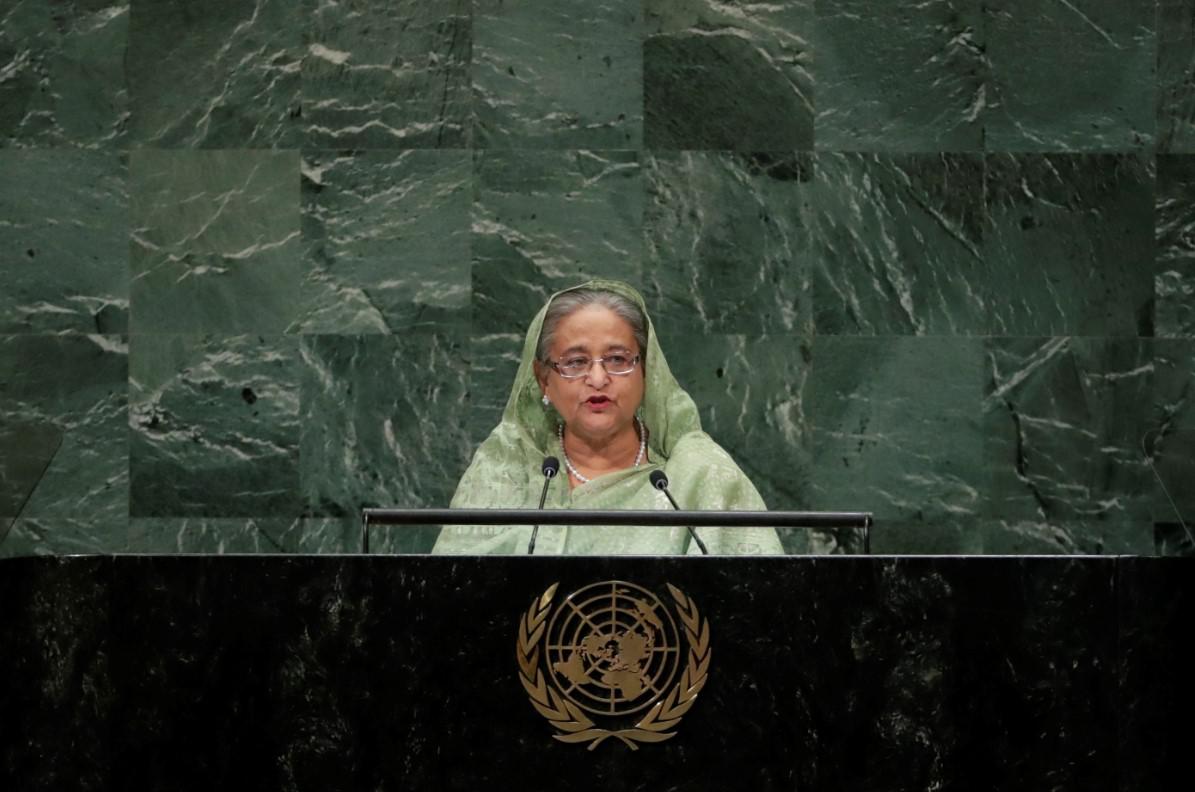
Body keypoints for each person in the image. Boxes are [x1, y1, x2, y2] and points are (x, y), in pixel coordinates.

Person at [433, 279, 784, 555]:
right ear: (544, 380)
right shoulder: (505, 473)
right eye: (575, 362)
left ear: (647, 372)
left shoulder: (698, 478)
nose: (598, 379)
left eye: (617, 359)